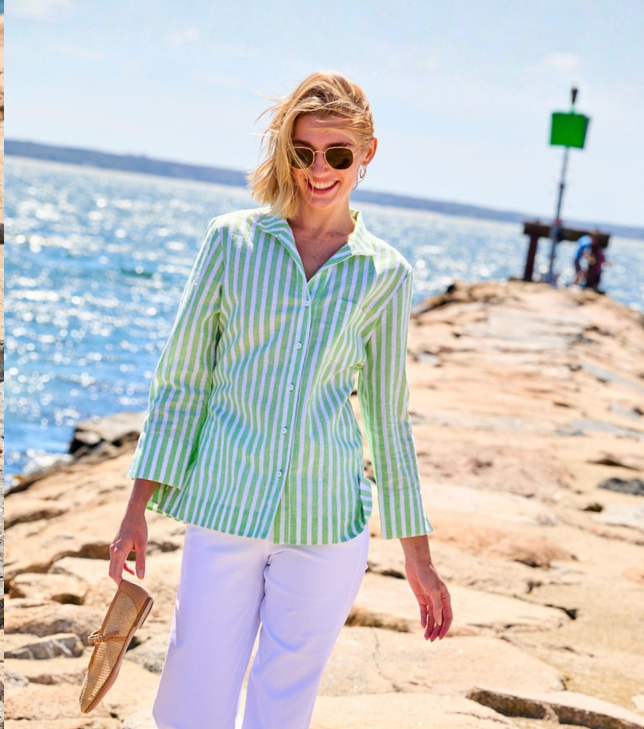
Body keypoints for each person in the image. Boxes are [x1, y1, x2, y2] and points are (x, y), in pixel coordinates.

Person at [107, 72, 452, 729]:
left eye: (338, 155)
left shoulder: (385, 273)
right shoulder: (231, 242)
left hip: (328, 522)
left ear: (368, 154)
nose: (320, 170)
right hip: (226, 504)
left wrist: (419, 557)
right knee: (193, 696)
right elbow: (183, 379)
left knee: (282, 703)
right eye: (304, 153)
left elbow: (387, 419)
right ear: (286, 153)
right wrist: (136, 510)